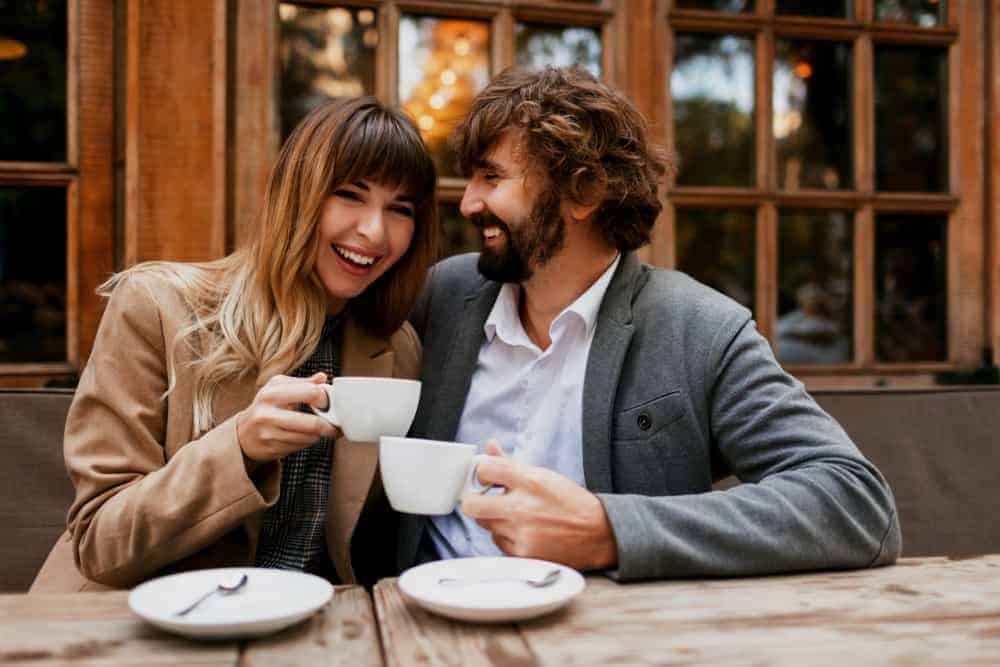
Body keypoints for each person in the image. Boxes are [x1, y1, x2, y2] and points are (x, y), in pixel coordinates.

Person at [401, 66, 900, 581]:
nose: (468, 203)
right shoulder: (443, 295)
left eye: (492, 177)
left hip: (615, 640)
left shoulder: (700, 330)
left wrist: (610, 530)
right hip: (416, 625)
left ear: (584, 191)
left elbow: (855, 502)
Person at [32, 97, 440, 591]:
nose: (375, 232)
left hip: (304, 626)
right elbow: (100, 542)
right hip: (140, 624)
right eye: (350, 195)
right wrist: (240, 448)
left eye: (400, 209)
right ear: (298, 195)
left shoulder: (396, 348)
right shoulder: (156, 308)